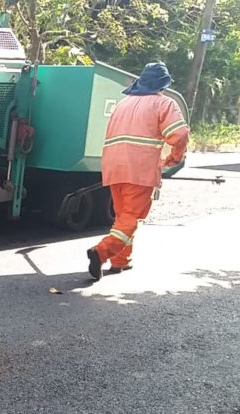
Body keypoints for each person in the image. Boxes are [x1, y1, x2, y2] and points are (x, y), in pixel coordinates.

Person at [87, 62, 189, 280]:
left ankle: (121, 261)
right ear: (163, 85)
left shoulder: (122, 104)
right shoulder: (164, 104)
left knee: (122, 216)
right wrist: (175, 157)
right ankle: (102, 251)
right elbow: (179, 134)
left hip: (114, 167)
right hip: (139, 169)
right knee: (131, 217)